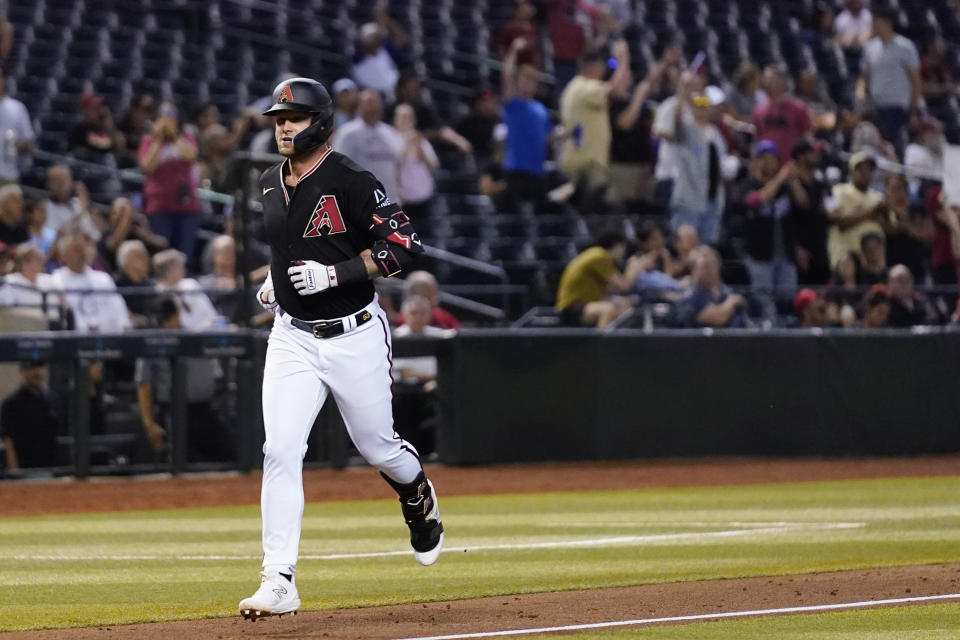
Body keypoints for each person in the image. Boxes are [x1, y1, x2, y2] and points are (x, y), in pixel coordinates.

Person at [239, 77, 441, 620]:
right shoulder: (266, 182)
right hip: (292, 338)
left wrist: (336, 273)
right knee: (280, 450)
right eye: (279, 118)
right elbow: (290, 249)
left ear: (321, 122)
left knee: (379, 450)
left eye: (295, 117)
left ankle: (416, 492)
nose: (283, 125)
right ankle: (278, 579)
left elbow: (403, 246)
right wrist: (274, 281)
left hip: (354, 335)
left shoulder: (351, 179)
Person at [134, 296, 232, 461]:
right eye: (161, 318)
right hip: (172, 411)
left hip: (203, 409)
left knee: (228, 456)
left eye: (168, 317)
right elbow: (144, 386)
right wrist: (150, 425)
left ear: (177, 315)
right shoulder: (150, 342)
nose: (164, 323)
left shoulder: (192, 336)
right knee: (179, 463)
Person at [652, 72, 728, 244]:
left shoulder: (715, 134)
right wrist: (682, 94)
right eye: (697, 105)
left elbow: (722, 165)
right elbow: (667, 130)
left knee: (707, 247)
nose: (701, 108)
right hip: (684, 193)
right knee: (685, 245)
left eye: (704, 104)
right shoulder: (683, 123)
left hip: (712, 198)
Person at [559, 43, 631, 208]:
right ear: (594, 66)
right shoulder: (584, 86)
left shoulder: (573, 87)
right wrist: (624, 60)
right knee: (589, 210)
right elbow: (615, 89)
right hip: (586, 163)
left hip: (581, 160)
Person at [738, 140, 799, 322]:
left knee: (787, 305)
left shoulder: (785, 188)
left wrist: (793, 179)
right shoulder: (748, 184)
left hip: (785, 255)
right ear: (756, 161)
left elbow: (804, 204)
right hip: (760, 257)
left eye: (772, 158)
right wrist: (780, 178)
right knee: (765, 307)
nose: (769, 163)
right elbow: (756, 201)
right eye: (764, 158)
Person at [607, 47, 675, 207]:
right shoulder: (612, 102)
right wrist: (638, 97)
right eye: (623, 75)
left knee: (646, 213)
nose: (627, 76)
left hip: (644, 166)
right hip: (623, 168)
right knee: (625, 210)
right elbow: (625, 124)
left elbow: (648, 83)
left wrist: (664, 64)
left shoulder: (633, 99)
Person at [137, 102, 203, 259]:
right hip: (159, 206)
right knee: (161, 254)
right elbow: (147, 166)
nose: (168, 119)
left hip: (187, 206)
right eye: (164, 115)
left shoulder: (186, 137)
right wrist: (159, 139)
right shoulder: (149, 140)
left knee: (184, 255)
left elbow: (191, 155)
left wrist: (174, 136)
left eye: (171, 115)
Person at [856, 7, 920, 159]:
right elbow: (864, 77)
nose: (874, 25)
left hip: (897, 108)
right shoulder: (870, 47)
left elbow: (916, 81)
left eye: (876, 22)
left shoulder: (906, 47)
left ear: (887, 23)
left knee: (895, 150)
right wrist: (859, 94)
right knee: (874, 151)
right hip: (875, 108)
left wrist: (913, 109)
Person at [500, 38, 554, 213]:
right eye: (523, 79)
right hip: (517, 170)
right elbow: (506, 74)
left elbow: (548, 135)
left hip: (538, 171)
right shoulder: (513, 103)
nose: (527, 83)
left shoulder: (540, 109)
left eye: (531, 80)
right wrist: (514, 49)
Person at [554, 230, 646, 328]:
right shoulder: (600, 256)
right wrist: (633, 268)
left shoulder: (598, 255)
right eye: (623, 247)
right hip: (571, 307)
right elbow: (623, 286)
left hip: (585, 303)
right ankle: (601, 343)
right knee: (607, 309)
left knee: (624, 304)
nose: (623, 251)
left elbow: (609, 289)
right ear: (617, 246)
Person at [48, 231, 132, 333]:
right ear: (63, 255)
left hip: (110, 338)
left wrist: (125, 328)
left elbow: (119, 309)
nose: (81, 254)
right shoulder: (56, 281)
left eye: (82, 249)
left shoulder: (103, 278)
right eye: (75, 250)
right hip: (76, 341)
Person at [332, 90, 403, 199]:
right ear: (359, 106)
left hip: (390, 200)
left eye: (375, 103)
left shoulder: (390, 132)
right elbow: (338, 167)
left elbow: (399, 163)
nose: (372, 107)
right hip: (361, 201)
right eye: (368, 103)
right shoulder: (347, 133)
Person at [827, 151, 888, 268]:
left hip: (874, 264)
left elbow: (888, 227)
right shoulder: (839, 191)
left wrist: (884, 214)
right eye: (860, 169)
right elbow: (842, 222)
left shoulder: (878, 197)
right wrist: (873, 211)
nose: (865, 173)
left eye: (869, 169)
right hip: (847, 260)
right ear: (851, 171)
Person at [0, 362, 60, 471]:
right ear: (22, 372)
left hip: (51, 467)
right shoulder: (11, 402)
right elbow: (7, 439)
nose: (37, 372)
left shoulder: (53, 398)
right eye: (32, 368)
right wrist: (14, 470)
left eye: (41, 367)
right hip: (24, 466)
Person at [752, 65, 814, 167]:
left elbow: (808, 135)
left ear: (781, 81)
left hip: (791, 167)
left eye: (770, 79)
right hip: (767, 170)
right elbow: (758, 138)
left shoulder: (799, 108)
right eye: (765, 79)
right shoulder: (758, 109)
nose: (766, 82)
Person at [789, 139, 831, 285]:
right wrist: (795, 247)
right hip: (801, 252)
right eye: (812, 152)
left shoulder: (821, 185)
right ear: (800, 157)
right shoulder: (790, 185)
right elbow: (791, 216)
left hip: (821, 250)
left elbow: (830, 212)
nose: (816, 155)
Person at [674, 246, 749, 328]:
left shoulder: (726, 293)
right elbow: (718, 318)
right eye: (705, 266)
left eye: (714, 264)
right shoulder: (690, 298)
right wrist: (732, 302)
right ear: (694, 270)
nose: (711, 270)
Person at [882, 173, 933, 283]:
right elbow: (888, 230)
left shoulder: (918, 208)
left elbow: (929, 233)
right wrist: (911, 228)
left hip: (918, 265)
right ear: (887, 191)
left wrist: (907, 228)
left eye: (899, 187)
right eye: (892, 188)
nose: (896, 192)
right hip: (893, 266)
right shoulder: (884, 211)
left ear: (906, 189)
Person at [97, 197, 169, 273]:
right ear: (112, 216)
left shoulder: (137, 233)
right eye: (121, 211)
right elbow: (114, 245)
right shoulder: (106, 234)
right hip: (117, 278)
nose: (125, 215)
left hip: (142, 278)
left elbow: (163, 246)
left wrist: (147, 236)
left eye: (127, 211)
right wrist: (126, 218)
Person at [153, 249, 219, 331]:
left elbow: (211, 313)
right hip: (182, 337)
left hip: (207, 332)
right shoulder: (159, 294)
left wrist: (213, 323)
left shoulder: (191, 284)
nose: (183, 269)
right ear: (167, 271)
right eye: (178, 266)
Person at [393, 104, 439, 217]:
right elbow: (395, 163)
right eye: (403, 117)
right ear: (396, 119)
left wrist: (421, 150)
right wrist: (407, 144)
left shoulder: (421, 141)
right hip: (402, 200)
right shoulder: (390, 138)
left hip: (424, 197)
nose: (407, 120)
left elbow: (434, 166)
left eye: (409, 117)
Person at [43, 164, 103, 241]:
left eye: (64, 178)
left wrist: (89, 208)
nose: (60, 184)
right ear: (49, 184)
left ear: (71, 181)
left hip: (96, 246)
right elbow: (56, 237)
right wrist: (82, 211)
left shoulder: (79, 202)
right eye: (56, 180)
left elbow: (103, 230)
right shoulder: (45, 208)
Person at [0, 66, 34, 184]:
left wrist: (19, 144)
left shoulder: (17, 108)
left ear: (3, 80)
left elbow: (29, 142)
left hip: (8, 173)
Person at [395, 270, 461, 330]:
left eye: (434, 292)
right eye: (428, 293)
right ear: (413, 294)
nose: (434, 297)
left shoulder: (443, 317)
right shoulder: (402, 320)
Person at [114, 239, 153, 326]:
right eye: (140, 257)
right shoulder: (113, 285)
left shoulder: (151, 287)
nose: (147, 260)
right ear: (126, 262)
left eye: (146, 256)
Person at [497, 0, 541, 68]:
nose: (525, 11)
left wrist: (537, 67)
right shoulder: (509, 28)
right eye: (522, 9)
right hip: (514, 66)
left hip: (529, 68)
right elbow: (501, 49)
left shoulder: (533, 29)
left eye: (526, 8)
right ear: (516, 11)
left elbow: (536, 51)